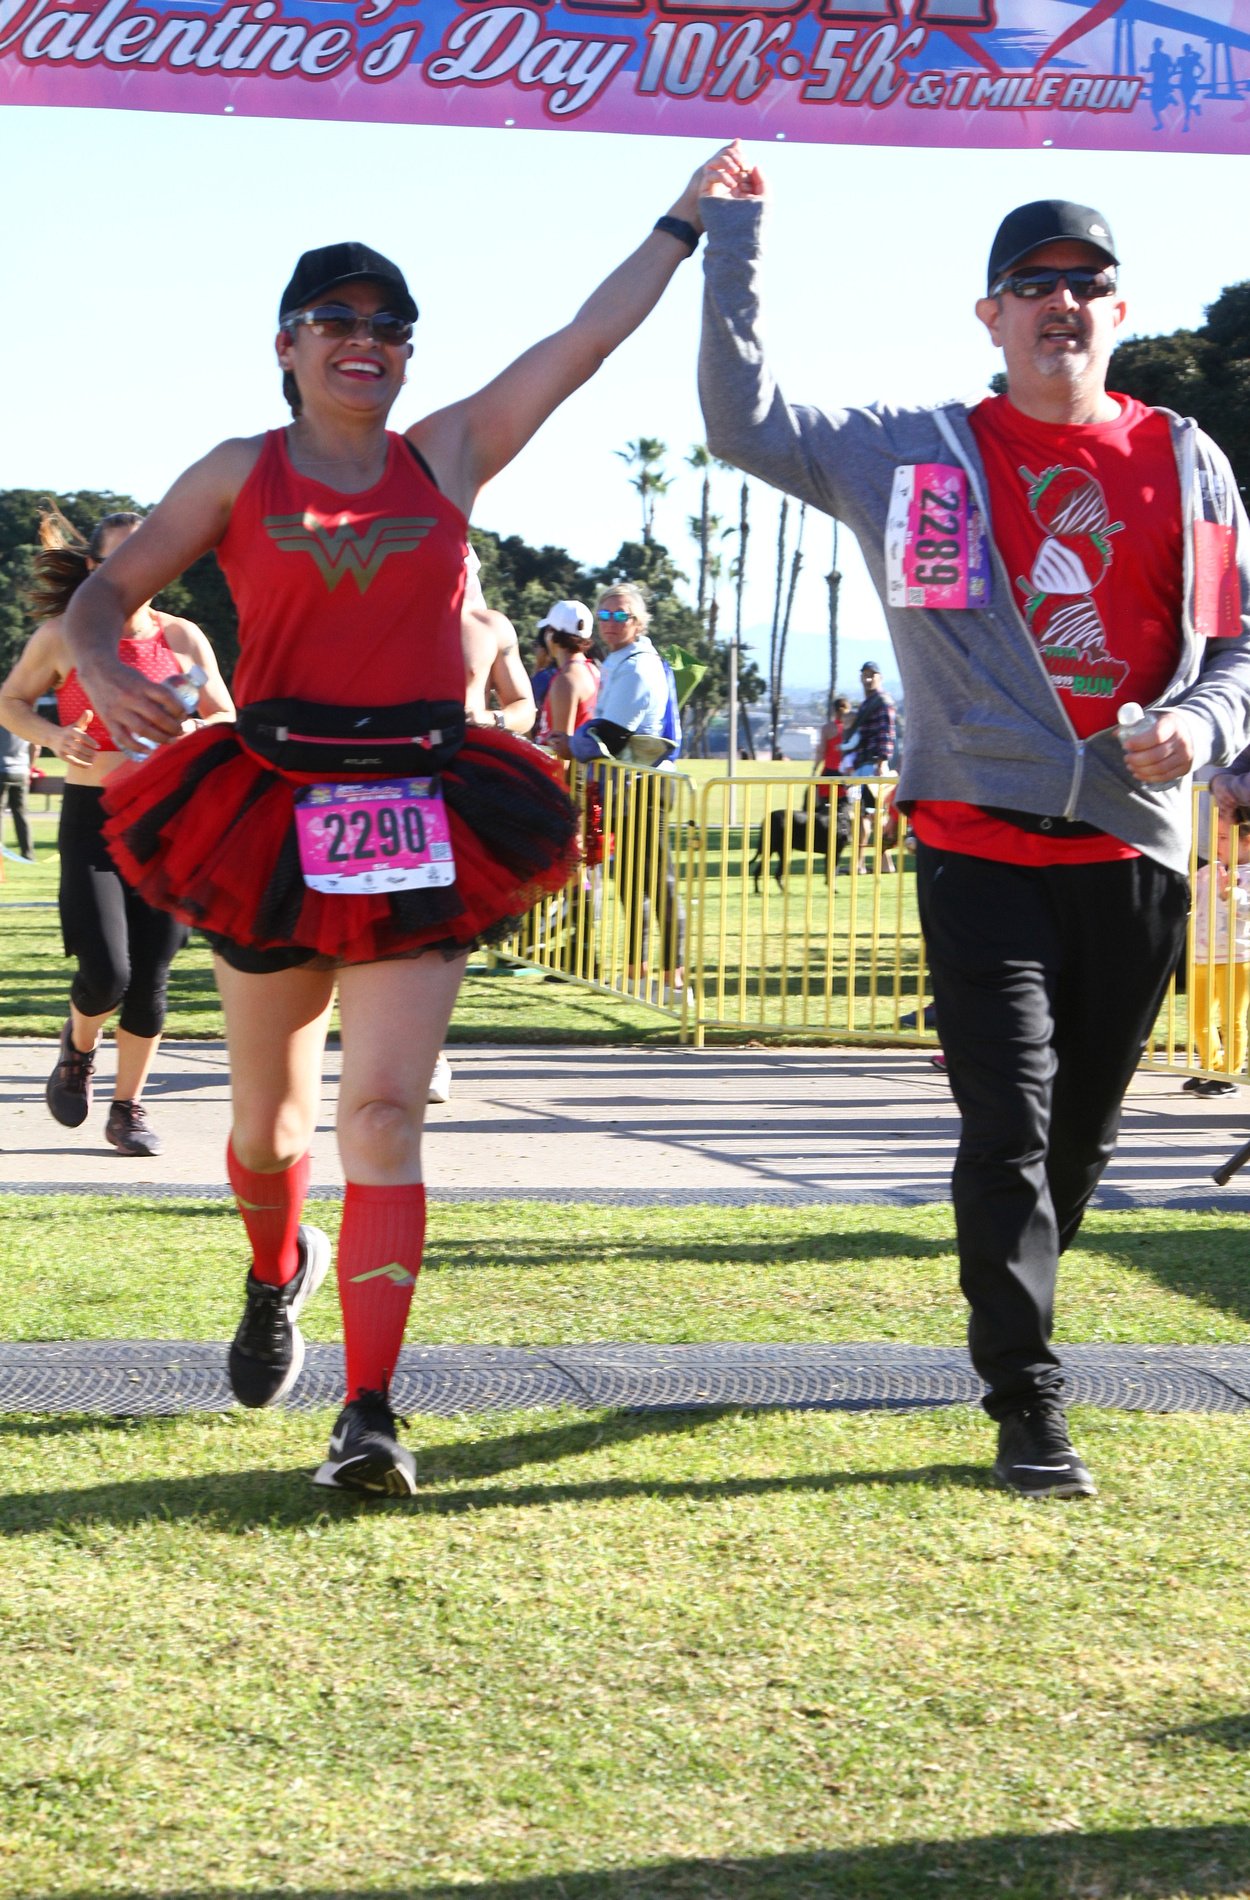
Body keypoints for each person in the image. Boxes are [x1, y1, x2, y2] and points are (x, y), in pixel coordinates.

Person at [64, 190, 708, 1495]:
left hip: (421, 805)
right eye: (336, 320)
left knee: (383, 1110)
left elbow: (584, 341)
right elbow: (103, 593)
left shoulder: (447, 456)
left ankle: (368, 1411)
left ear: (409, 352)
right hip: (269, 809)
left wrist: (683, 223)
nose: (366, 340)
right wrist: (102, 666)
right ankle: (271, 1269)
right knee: (266, 1129)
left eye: (389, 325)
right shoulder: (240, 472)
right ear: (287, 345)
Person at [699, 148, 1250, 1498]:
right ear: (987, 315)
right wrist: (734, 239)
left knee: (1077, 1140)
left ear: (1119, 312)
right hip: (972, 839)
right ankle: (1027, 1397)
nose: (1061, 303)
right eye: (1032, 284)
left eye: (1088, 284)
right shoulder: (908, 452)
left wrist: (1200, 729)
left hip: (1131, 847)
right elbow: (738, 420)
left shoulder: (1186, 461)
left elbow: (1236, 646)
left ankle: (1014, 1328)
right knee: (1005, 1120)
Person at [0, 508, 232, 1156]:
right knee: (107, 972)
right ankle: (77, 1049)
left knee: (152, 978)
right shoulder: (63, 637)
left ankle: (128, 1109)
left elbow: (224, 713)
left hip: (168, 824)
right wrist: (53, 736)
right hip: (92, 819)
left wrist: (191, 730)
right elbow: (9, 700)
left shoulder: (182, 639)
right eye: (124, 557)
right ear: (96, 569)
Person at [426, 550, 538, 1108]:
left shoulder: (492, 627)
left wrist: (487, 719)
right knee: (383, 920)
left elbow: (524, 706)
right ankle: (408, 1047)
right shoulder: (386, 613)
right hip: (391, 785)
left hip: (462, 788)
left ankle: (430, 1050)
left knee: (449, 923)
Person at [557, 582, 685, 995]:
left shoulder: (637, 666)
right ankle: (637, 971)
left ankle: (674, 977)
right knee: (632, 881)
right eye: (606, 615)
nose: (612, 623)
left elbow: (610, 734)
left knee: (658, 879)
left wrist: (571, 744)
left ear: (638, 621)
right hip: (625, 784)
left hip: (643, 784)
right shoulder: (619, 660)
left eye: (621, 615)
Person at [1183, 806, 1250, 1096]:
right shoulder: (1207, 871)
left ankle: (1230, 1074)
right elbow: (1189, 900)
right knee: (1199, 1018)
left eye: (1224, 837)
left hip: (1237, 957)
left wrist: (1232, 894)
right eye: (1216, 836)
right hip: (1202, 957)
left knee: (1232, 1019)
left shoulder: (1246, 875)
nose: (1217, 844)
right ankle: (1209, 1066)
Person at [534, 600, 598, 744]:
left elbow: (562, 747)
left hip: (553, 765)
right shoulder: (593, 670)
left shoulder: (566, 679)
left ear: (551, 633)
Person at [0, 721, 34, 859]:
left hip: (1, 769)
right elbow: (35, 746)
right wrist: (29, 768)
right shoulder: (23, 720)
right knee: (21, 814)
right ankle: (28, 854)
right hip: (21, 771)